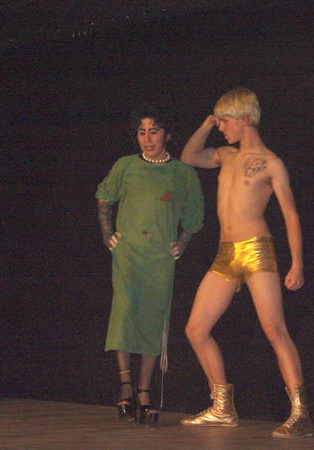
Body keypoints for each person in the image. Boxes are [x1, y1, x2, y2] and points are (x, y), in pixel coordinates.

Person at [179, 87, 313, 438]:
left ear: (244, 119)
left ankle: (300, 413)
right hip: (226, 253)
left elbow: (291, 215)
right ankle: (222, 407)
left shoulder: (271, 163)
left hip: (256, 250)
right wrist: (207, 124)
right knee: (196, 329)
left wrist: (296, 263)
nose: (221, 128)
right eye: (219, 122)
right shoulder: (226, 155)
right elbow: (189, 155)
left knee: (274, 328)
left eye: (225, 121)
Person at [96, 105, 204, 425]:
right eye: (142, 132)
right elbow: (104, 198)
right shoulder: (125, 166)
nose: (147, 138)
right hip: (128, 254)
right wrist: (107, 234)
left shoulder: (182, 173)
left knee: (153, 320)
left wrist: (181, 243)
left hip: (159, 258)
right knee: (124, 312)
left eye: (153, 131)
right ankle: (125, 385)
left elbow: (194, 217)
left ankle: (144, 390)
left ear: (167, 135)